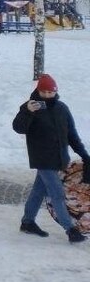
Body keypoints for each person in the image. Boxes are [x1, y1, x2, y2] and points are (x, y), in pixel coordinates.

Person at [14, 73, 90, 244]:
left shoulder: (62, 108)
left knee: (38, 191)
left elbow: (72, 135)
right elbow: (18, 128)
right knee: (57, 193)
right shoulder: (30, 107)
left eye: (51, 92)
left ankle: (27, 222)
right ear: (38, 91)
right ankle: (70, 230)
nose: (48, 95)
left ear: (56, 91)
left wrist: (84, 154)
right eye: (44, 92)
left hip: (59, 158)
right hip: (42, 158)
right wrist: (28, 112)